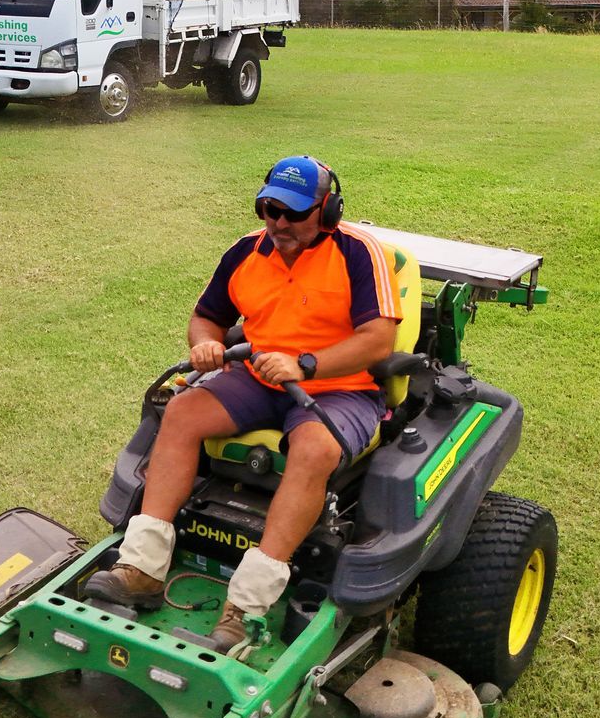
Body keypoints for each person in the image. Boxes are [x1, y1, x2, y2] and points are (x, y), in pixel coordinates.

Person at [85, 155, 402, 650]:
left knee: (315, 449)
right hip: (257, 376)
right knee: (183, 411)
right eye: (269, 209)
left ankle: (245, 607)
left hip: (341, 387)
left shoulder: (360, 253)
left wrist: (307, 365)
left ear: (329, 210)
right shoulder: (245, 252)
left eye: (294, 213)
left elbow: (379, 340)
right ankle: (142, 568)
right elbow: (206, 316)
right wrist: (205, 345)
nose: (279, 222)